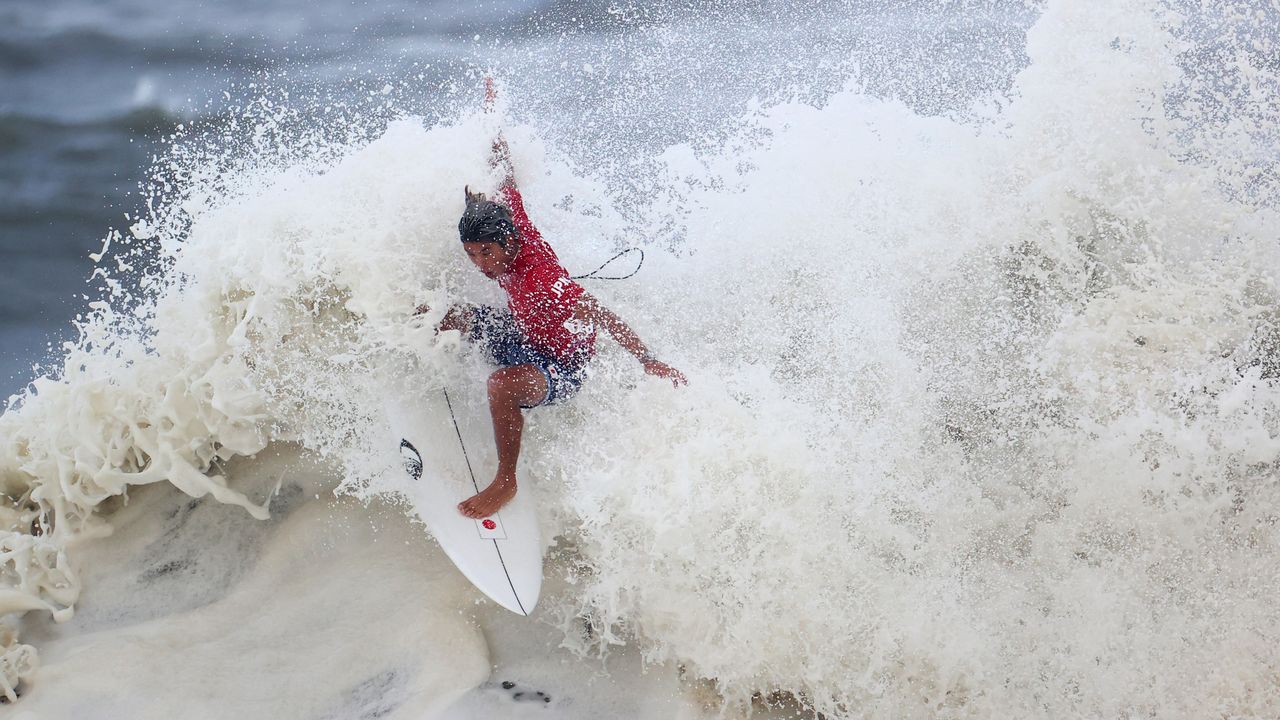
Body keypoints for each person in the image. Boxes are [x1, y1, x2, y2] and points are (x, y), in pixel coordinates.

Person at [420, 137, 686, 519]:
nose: (480, 263)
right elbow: (506, 176)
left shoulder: (541, 284)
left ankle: (505, 481)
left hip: (562, 366)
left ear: (508, 242)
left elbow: (600, 313)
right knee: (443, 314)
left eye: (486, 253)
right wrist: (493, 124)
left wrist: (648, 360)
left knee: (502, 385)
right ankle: (429, 376)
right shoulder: (509, 220)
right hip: (523, 333)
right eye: (472, 254)